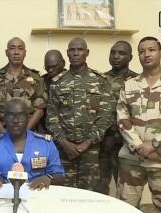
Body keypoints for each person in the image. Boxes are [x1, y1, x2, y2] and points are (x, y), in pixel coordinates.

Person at [116, 36, 161, 212]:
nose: (146, 55)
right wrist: (139, 146)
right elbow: (122, 118)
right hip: (132, 160)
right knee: (124, 209)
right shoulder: (129, 85)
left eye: (151, 50)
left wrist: (154, 144)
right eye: (141, 51)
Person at [46, 37, 112, 191]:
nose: (76, 53)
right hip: (64, 150)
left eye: (80, 50)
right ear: (67, 54)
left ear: (87, 53)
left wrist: (87, 143)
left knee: (89, 194)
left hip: (91, 149)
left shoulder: (101, 81)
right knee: (62, 192)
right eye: (72, 50)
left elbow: (105, 116)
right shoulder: (58, 82)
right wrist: (63, 142)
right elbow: (51, 116)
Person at [0, 99, 65, 190]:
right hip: (1, 198)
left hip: (37, 198)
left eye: (21, 115)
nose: (15, 120)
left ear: (28, 118)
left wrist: (49, 178)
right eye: (10, 115)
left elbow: (59, 175)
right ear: (5, 118)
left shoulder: (45, 144)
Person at [93, 41, 138, 195]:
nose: (116, 56)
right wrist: (104, 136)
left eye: (121, 53)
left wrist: (116, 136)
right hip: (101, 145)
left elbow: (137, 116)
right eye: (113, 52)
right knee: (98, 189)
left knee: (127, 191)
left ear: (130, 57)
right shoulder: (100, 79)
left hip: (126, 146)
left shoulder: (137, 82)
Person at [0, 37, 47, 134]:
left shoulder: (36, 78)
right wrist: (2, 133)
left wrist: (25, 132)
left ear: (25, 53)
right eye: (12, 48)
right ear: (6, 52)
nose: (16, 52)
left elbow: (40, 109)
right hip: (1, 133)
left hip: (28, 134)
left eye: (20, 48)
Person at [38, 49, 66, 134]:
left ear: (63, 63)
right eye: (47, 67)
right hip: (45, 131)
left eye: (54, 67)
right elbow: (37, 108)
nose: (50, 70)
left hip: (67, 132)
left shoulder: (73, 80)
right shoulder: (42, 81)